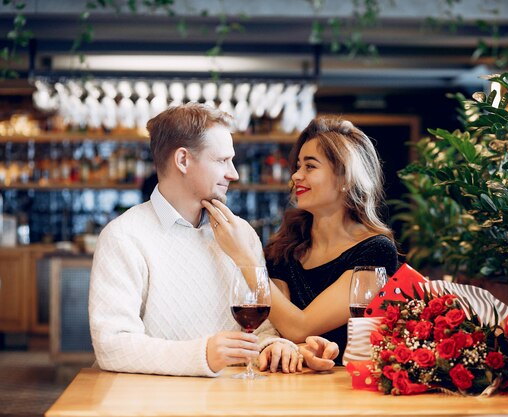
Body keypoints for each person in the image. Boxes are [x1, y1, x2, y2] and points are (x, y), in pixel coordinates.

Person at [89, 103, 337, 377]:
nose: (234, 173)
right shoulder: (124, 236)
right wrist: (202, 354)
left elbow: (259, 326)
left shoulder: (240, 233)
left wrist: (274, 345)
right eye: (222, 161)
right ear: (183, 160)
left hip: (230, 401)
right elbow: (111, 346)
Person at [204, 116, 398, 363]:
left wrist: (244, 258)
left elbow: (300, 327)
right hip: (292, 383)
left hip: (348, 387)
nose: (296, 176)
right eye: (297, 166)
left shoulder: (376, 251)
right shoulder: (287, 246)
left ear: (345, 178)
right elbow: (281, 331)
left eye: (310, 166)